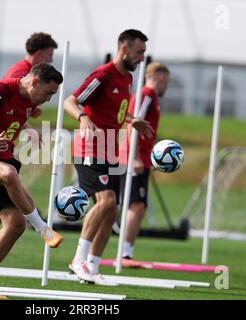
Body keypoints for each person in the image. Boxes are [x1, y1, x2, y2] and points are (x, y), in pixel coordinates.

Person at [0, 63, 64, 299]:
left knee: (16, 224)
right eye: (48, 93)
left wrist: (31, 130)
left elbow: (16, 116)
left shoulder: (30, 100)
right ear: (35, 81)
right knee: (8, 174)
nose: (48, 99)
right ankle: (43, 228)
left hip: (1, 160)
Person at [64, 29, 152, 285]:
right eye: (139, 52)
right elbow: (71, 101)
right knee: (106, 201)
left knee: (111, 210)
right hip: (89, 149)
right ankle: (77, 260)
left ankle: (90, 266)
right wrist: (83, 117)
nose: (141, 58)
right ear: (124, 48)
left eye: (144, 53)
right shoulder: (103, 75)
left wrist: (131, 120)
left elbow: (114, 112)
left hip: (109, 151)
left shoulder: (127, 80)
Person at [119, 62, 170, 264]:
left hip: (140, 158)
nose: (167, 86)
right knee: (136, 206)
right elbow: (133, 123)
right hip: (132, 159)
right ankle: (124, 254)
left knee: (139, 206)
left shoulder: (151, 97)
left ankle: (126, 251)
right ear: (160, 77)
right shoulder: (147, 94)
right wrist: (137, 158)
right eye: (168, 81)